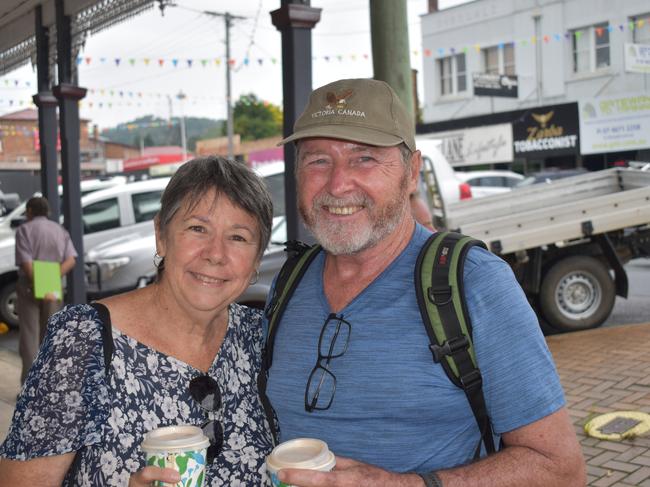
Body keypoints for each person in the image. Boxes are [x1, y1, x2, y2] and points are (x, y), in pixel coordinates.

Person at [264, 78, 586, 487]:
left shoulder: (473, 283)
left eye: (364, 158)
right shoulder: (287, 284)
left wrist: (407, 485)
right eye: (317, 160)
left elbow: (561, 468)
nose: (338, 184)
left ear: (411, 172)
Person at [0, 157, 275, 486]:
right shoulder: (84, 339)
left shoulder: (258, 337)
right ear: (161, 235)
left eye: (239, 237)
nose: (215, 253)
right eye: (197, 229)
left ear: (257, 257)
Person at [14, 196, 77, 384]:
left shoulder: (24, 230)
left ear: (30, 211)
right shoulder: (59, 230)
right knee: (52, 335)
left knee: (30, 336)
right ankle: (50, 384)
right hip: (53, 286)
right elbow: (71, 259)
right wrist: (51, 280)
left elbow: (26, 263)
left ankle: (30, 387)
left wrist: (40, 283)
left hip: (29, 285)